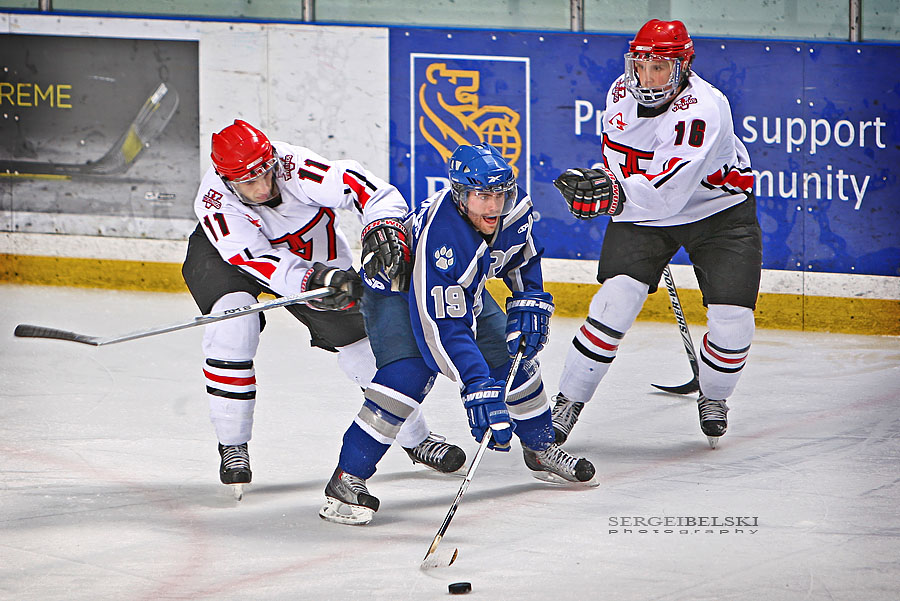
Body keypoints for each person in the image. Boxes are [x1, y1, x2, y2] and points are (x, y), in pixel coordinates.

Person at [181, 119, 466, 497]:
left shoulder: (294, 166)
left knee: (364, 352)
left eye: (266, 173)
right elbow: (257, 259)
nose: (263, 187)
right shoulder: (215, 203)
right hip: (227, 260)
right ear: (226, 179)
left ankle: (416, 438)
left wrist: (383, 224)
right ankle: (232, 442)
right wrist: (311, 281)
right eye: (249, 183)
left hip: (312, 255)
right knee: (232, 328)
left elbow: (365, 188)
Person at [319, 142, 598, 526]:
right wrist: (477, 384)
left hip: (459, 291)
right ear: (461, 195)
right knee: (406, 377)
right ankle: (346, 478)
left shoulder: (515, 208)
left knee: (514, 362)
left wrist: (529, 297)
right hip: (397, 293)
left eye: (500, 193)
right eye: (483, 196)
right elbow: (444, 329)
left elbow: (521, 255)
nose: (494, 206)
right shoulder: (444, 238)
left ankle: (540, 448)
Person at [551, 19, 762, 448]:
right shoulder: (618, 93)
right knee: (614, 303)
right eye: (641, 66)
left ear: (683, 67)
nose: (647, 78)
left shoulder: (703, 109)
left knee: (733, 323)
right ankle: (567, 401)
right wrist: (607, 188)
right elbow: (620, 165)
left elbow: (669, 196)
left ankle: (715, 396)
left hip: (719, 213)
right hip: (644, 211)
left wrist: (612, 196)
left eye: (659, 68)